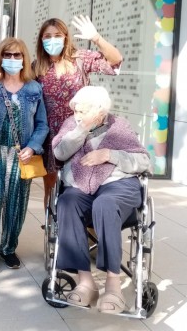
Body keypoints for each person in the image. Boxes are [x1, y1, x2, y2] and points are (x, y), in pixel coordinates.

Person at [52, 86, 150, 314]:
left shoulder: (119, 126)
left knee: (105, 204)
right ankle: (86, 282)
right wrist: (82, 129)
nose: (77, 115)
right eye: (76, 110)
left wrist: (109, 155)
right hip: (80, 187)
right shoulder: (71, 125)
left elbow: (144, 161)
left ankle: (113, 285)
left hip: (118, 186)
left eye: (83, 111)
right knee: (67, 202)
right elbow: (59, 153)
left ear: (100, 110)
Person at [0, 37, 49, 274]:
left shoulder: (34, 88)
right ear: (0, 58)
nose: (12, 59)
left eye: (17, 55)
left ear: (24, 58)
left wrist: (33, 147)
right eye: (7, 55)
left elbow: (42, 124)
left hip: (21, 155)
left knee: (17, 204)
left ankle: (8, 248)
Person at [32, 15, 123, 207]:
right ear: (41, 40)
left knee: (79, 185)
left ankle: (80, 223)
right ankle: (53, 223)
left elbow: (115, 60)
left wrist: (96, 38)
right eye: (47, 36)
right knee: (51, 187)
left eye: (57, 35)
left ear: (65, 37)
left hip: (79, 133)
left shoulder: (79, 59)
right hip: (51, 138)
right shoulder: (37, 67)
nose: (52, 40)